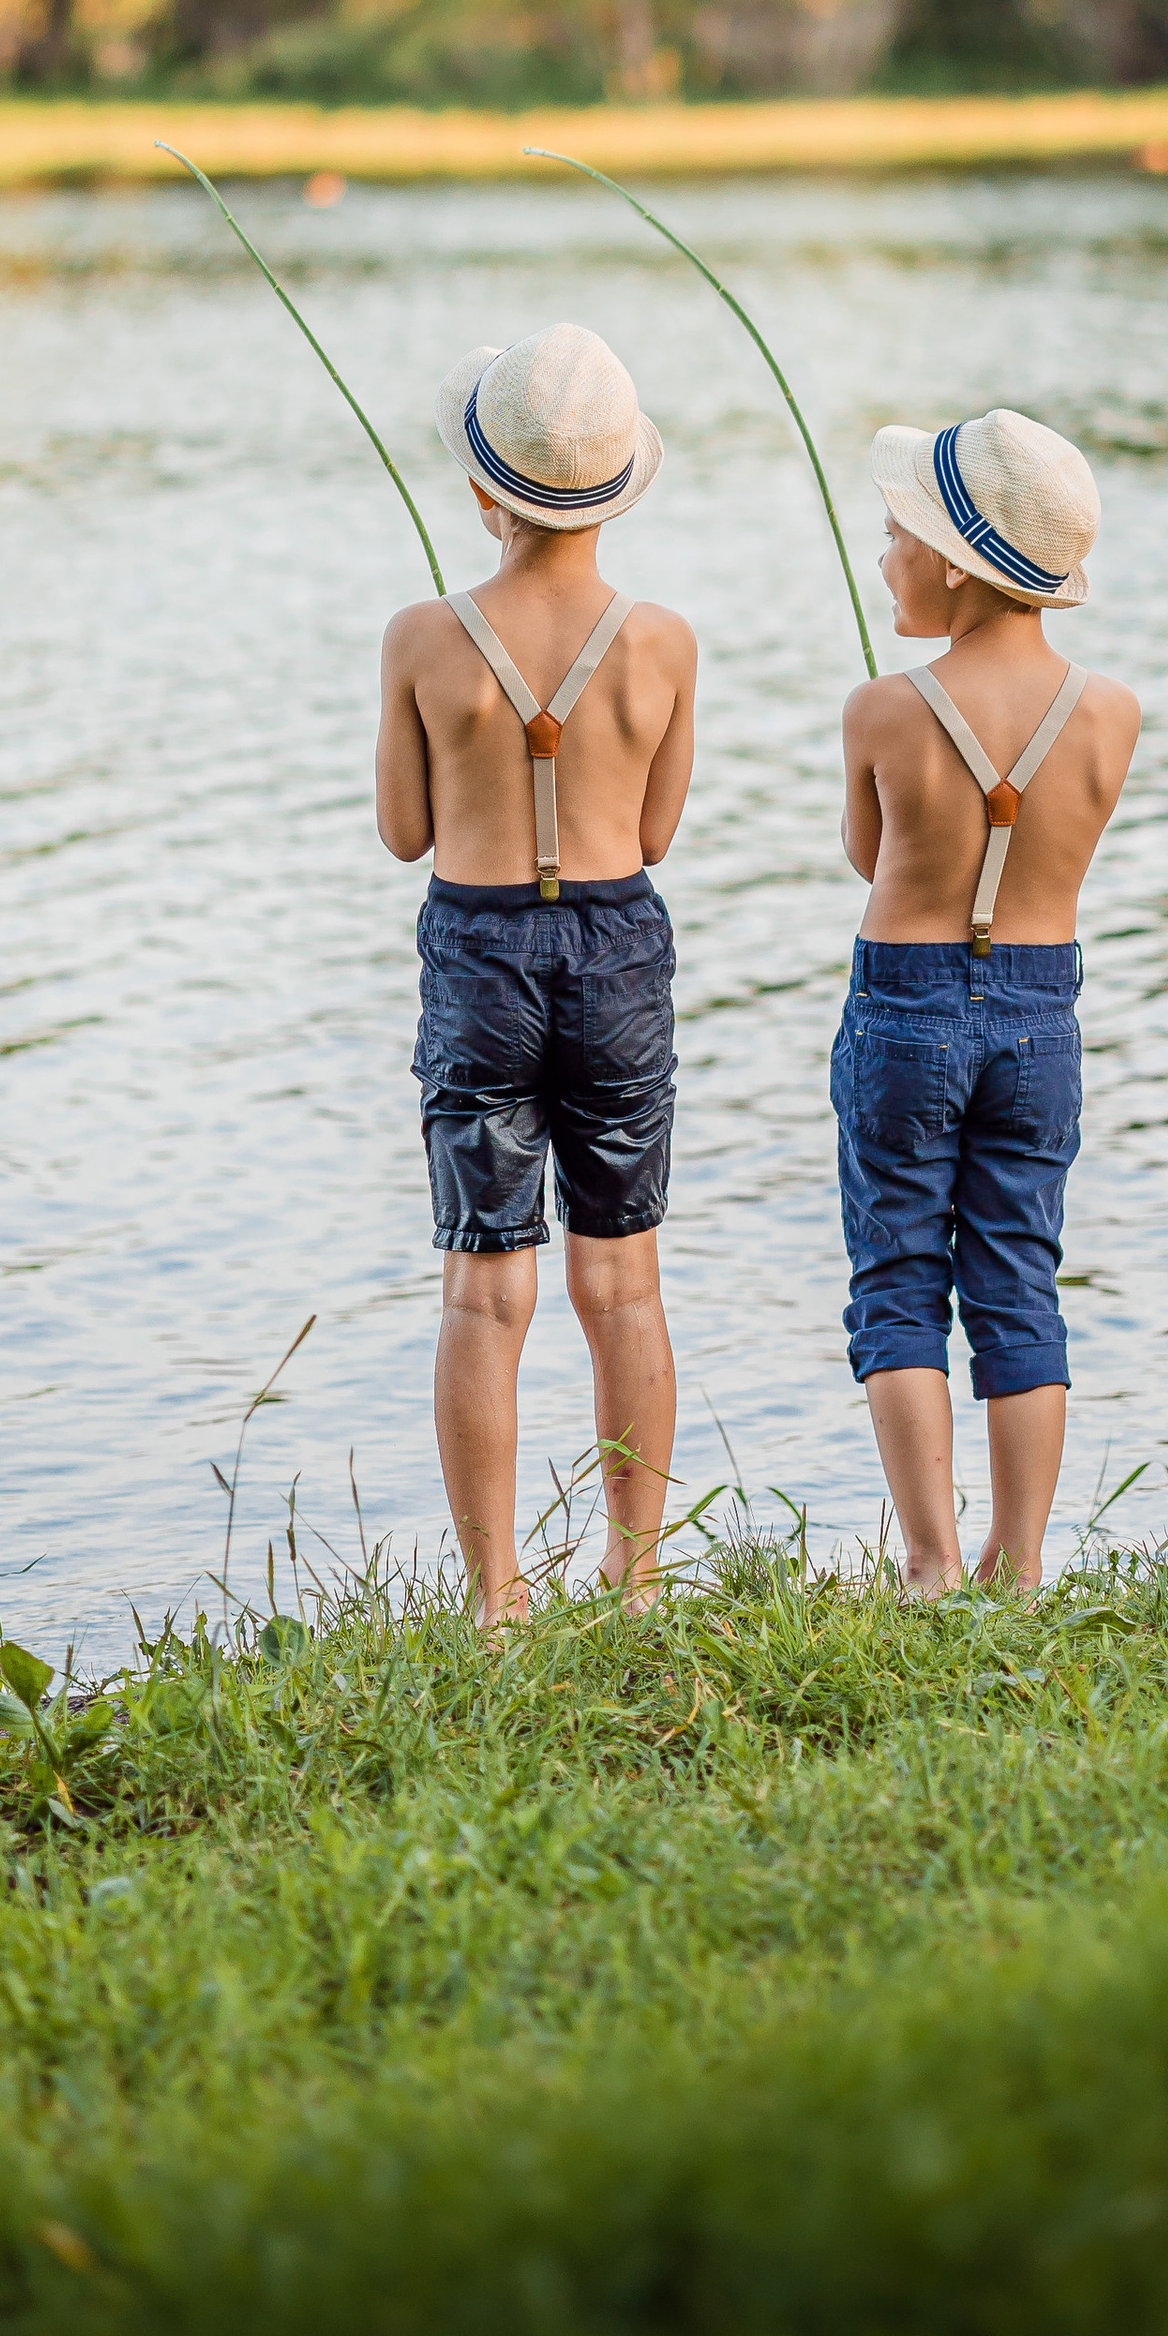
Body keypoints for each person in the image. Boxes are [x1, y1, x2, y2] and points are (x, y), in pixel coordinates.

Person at [375, 322, 698, 1625]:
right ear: (619, 487)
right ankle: (635, 1575)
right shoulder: (665, 641)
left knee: (483, 1284)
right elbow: (659, 832)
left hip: (478, 952)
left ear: (478, 491)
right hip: (617, 943)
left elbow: (406, 834)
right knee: (622, 1280)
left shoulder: (419, 637)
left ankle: (497, 1598)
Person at [833, 408, 1140, 1597]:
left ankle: (929, 1563)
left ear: (954, 563)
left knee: (898, 1277)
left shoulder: (879, 709)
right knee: (1018, 1278)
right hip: (1036, 1014)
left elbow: (873, 859)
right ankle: (1021, 1569)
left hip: (902, 1008)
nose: (882, 556)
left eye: (897, 534)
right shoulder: (1109, 713)